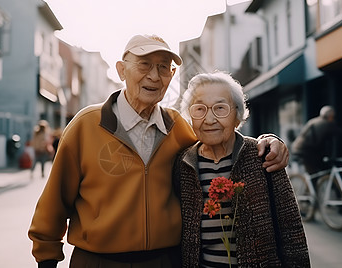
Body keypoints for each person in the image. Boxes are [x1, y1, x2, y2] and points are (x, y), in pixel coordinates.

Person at [28, 34, 289, 268]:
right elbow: (55, 199)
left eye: (164, 67)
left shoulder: (178, 128)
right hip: (97, 261)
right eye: (144, 64)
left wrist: (269, 141)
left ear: (171, 77)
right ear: (121, 70)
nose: (154, 76)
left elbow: (219, 139)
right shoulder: (86, 125)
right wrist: (46, 256)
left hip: (165, 261)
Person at [174, 71, 310, 267]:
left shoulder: (263, 156)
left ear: (237, 116)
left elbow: (292, 231)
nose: (209, 119)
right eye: (199, 109)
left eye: (220, 108)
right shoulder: (183, 164)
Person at [291, 105, 342, 174]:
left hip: (298, 148)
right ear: (330, 116)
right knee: (316, 171)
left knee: (316, 168)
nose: (333, 118)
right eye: (333, 116)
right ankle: (314, 183)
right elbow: (337, 131)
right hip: (305, 151)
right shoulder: (326, 124)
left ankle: (314, 182)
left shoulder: (314, 120)